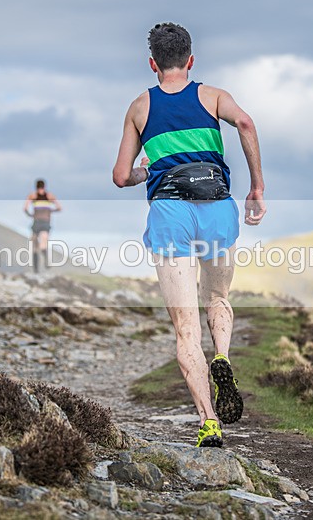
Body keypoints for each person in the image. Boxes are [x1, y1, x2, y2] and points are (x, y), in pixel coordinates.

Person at [112, 22, 266, 447]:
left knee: (184, 329)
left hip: (170, 214)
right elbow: (247, 124)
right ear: (191, 60)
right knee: (217, 298)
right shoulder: (213, 96)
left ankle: (209, 423)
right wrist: (256, 187)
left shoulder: (140, 107)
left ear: (152, 63)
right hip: (217, 206)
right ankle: (223, 356)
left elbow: (121, 176)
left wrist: (149, 168)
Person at [23, 179, 62, 272]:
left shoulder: (33, 196)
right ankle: (46, 260)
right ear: (44, 186)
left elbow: (25, 208)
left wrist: (31, 215)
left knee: (35, 246)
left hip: (36, 222)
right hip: (45, 221)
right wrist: (50, 211)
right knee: (42, 244)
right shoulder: (49, 196)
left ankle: (36, 270)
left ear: (36, 186)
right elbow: (59, 207)